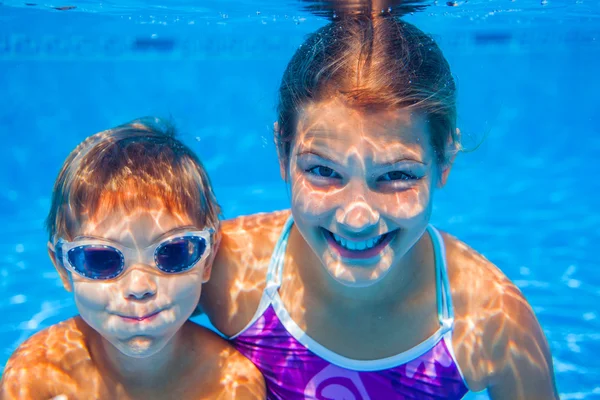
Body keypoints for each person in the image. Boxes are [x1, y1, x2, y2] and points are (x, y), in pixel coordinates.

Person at [200, 6, 558, 400]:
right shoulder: (226, 269)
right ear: (283, 156)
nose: (357, 217)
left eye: (396, 175)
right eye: (323, 171)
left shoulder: (493, 320)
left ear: (445, 162)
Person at [0, 118, 265, 400]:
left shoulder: (230, 384)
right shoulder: (40, 373)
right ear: (63, 268)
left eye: (173, 252)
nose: (139, 287)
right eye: (100, 259)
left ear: (208, 258)